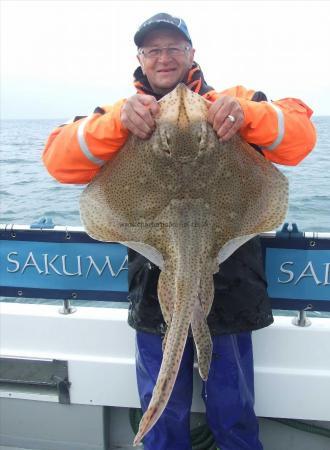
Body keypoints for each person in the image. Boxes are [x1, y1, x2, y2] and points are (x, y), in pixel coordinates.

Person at [43, 13, 316, 450]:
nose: (164, 57)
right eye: (154, 50)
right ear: (140, 59)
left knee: (234, 409)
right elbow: (57, 158)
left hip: (232, 284)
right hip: (156, 279)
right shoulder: (118, 115)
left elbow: (301, 135)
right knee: (164, 412)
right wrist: (117, 124)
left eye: (174, 48)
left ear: (192, 53)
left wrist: (245, 116)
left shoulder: (235, 100)